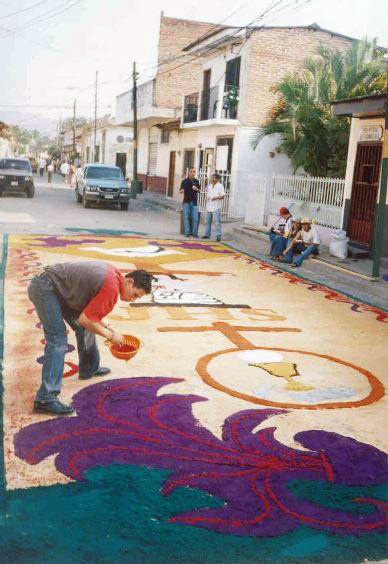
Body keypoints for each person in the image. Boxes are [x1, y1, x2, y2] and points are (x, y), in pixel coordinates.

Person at [28, 263, 153, 415]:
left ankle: (89, 368)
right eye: (135, 295)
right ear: (130, 282)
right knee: (58, 338)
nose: (133, 300)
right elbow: (85, 319)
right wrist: (111, 336)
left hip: (57, 287)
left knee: (86, 327)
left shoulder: (115, 276)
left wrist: (100, 320)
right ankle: (45, 399)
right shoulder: (112, 288)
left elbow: (89, 313)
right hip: (45, 288)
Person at [202, 172, 225, 242]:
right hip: (209, 206)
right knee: (207, 222)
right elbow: (208, 195)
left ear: (217, 179)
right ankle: (207, 234)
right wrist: (207, 198)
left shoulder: (220, 186)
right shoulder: (210, 186)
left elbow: (222, 196)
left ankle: (218, 236)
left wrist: (216, 197)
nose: (212, 179)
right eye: (212, 177)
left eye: (213, 178)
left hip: (216, 207)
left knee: (217, 222)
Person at [180, 167, 200, 238]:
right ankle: (187, 233)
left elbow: (199, 191)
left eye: (194, 172)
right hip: (186, 202)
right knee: (186, 217)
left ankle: (194, 233)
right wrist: (182, 191)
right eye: (191, 171)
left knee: (195, 218)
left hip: (194, 202)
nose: (192, 173)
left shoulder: (196, 181)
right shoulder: (184, 181)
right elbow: (180, 190)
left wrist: (196, 189)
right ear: (188, 173)